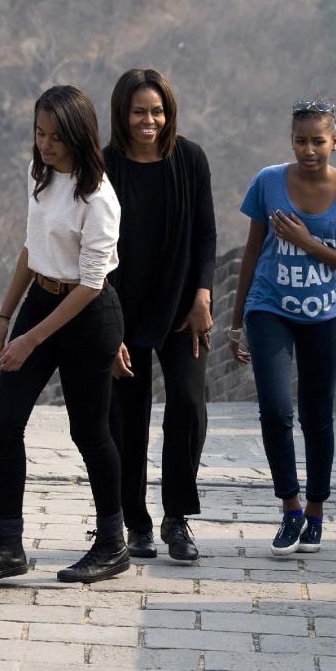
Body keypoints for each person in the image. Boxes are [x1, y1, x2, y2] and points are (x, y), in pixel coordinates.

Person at [0, 85, 129, 585]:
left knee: (89, 431)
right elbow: (31, 248)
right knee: (5, 422)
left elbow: (93, 284)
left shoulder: (98, 196)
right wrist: (5, 318)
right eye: (38, 133)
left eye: (54, 136)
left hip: (89, 314)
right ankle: (8, 546)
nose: (45, 144)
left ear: (78, 134)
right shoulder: (40, 176)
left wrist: (31, 340)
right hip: (41, 299)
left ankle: (111, 544)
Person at [229, 99, 336, 555]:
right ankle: (290, 507)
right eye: (301, 140)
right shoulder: (268, 182)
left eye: (318, 141)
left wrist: (307, 243)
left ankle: (316, 510)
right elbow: (252, 253)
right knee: (276, 410)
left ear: (335, 141)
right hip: (268, 307)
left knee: (317, 415)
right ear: (290, 141)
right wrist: (236, 322)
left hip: (324, 314)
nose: (309, 149)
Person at [104, 68, 216, 563]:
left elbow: (206, 233)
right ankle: (137, 522)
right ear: (122, 114)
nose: (149, 120)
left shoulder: (189, 159)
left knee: (189, 405)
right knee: (127, 419)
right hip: (121, 306)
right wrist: (106, 324)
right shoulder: (103, 166)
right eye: (138, 111)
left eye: (157, 111)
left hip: (181, 304)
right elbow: (92, 246)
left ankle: (177, 517)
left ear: (168, 112)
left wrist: (203, 295)